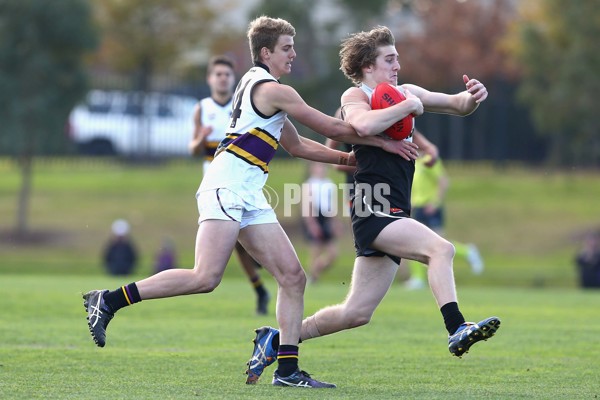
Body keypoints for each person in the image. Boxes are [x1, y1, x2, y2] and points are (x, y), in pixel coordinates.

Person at [83, 16, 413, 389]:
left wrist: (349, 160)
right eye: (287, 48)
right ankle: (108, 300)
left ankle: (287, 371)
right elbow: (334, 128)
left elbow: (298, 146)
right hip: (227, 185)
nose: (293, 54)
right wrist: (383, 143)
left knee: (293, 277)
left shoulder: (255, 85)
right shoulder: (273, 90)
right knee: (205, 277)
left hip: (248, 191)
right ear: (266, 52)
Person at [245, 25, 501, 384]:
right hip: (372, 207)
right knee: (441, 249)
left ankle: (279, 340)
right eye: (389, 59)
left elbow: (458, 105)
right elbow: (362, 126)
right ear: (368, 66)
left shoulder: (406, 92)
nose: (397, 65)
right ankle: (457, 327)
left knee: (356, 312)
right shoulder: (356, 96)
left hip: (395, 207)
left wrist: (474, 95)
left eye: (397, 58)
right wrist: (409, 107)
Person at [189, 54, 270, 315]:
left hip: (240, 182)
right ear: (210, 79)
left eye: (227, 74)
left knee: (236, 238)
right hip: (215, 185)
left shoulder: (241, 105)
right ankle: (259, 286)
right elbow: (192, 149)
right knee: (233, 242)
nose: (223, 78)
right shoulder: (202, 108)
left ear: (233, 79)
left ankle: (259, 284)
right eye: (218, 74)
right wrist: (200, 140)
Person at [403, 153, 484, 290]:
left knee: (439, 243)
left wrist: (435, 202)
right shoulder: (414, 162)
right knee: (413, 242)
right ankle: (418, 278)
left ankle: (468, 251)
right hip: (418, 207)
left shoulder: (429, 159)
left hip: (430, 208)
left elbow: (443, 181)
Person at [301, 161, 340, 284]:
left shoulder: (329, 184)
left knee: (333, 254)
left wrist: (335, 223)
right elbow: (307, 206)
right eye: (318, 166)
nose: (321, 169)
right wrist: (312, 224)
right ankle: (312, 279)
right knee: (315, 251)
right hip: (316, 218)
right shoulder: (309, 184)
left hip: (326, 218)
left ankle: (314, 271)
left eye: (323, 167)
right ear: (312, 169)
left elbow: (332, 206)